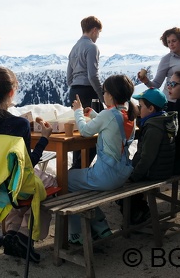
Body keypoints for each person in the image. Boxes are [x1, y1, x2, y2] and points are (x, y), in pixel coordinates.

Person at [0, 67, 56, 263]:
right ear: (11, 93)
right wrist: (44, 139)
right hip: (13, 186)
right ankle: (25, 235)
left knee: (16, 182)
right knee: (52, 184)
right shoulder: (19, 125)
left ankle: (11, 234)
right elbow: (27, 166)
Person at [67, 74, 137, 244]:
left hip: (106, 176)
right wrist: (92, 114)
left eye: (105, 91)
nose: (103, 94)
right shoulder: (128, 114)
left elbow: (85, 131)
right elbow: (110, 122)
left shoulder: (109, 115)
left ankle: (77, 234)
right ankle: (100, 225)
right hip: (122, 174)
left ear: (111, 95)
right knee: (80, 182)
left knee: (65, 179)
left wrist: (78, 112)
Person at [122, 88, 177, 225]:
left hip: (154, 172)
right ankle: (138, 211)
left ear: (151, 108)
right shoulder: (164, 121)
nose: (138, 109)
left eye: (141, 106)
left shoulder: (153, 129)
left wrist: (133, 177)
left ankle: (139, 215)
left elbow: (147, 158)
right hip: (163, 168)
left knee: (120, 185)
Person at [138, 27, 180, 111]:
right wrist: (146, 81)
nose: (171, 44)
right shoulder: (166, 59)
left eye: (174, 41)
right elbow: (156, 84)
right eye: (168, 42)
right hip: (172, 102)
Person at [66, 15, 104, 169]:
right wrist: (102, 96)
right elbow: (93, 75)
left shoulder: (74, 48)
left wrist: (75, 88)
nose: (98, 36)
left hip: (75, 90)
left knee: (79, 131)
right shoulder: (91, 47)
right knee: (93, 133)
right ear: (94, 30)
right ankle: (79, 169)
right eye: (99, 33)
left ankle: (76, 170)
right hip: (89, 92)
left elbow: (69, 77)